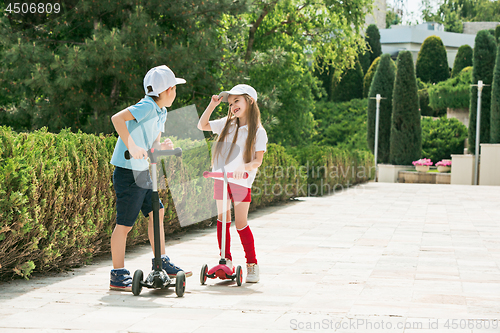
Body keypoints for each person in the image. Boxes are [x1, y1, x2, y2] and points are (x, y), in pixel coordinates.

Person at [109, 65, 192, 291]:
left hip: (143, 170)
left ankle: (160, 260)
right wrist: (132, 145)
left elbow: (153, 144)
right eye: (175, 89)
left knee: (158, 211)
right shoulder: (146, 106)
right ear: (169, 89)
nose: (176, 93)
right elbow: (117, 119)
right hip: (128, 171)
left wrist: (161, 146)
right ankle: (117, 275)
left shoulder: (161, 111)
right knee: (124, 224)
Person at [197, 84, 268, 283]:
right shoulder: (227, 124)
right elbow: (202, 126)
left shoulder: (258, 132)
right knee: (223, 220)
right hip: (221, 178)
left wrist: (243, 168)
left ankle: (252, 264)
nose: (232, 106)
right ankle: (225, 260)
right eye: (230, 103)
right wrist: (212, 105)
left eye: (237, 101)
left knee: (240, 223)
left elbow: (257, 160)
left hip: (241, 182)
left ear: (250, 101)